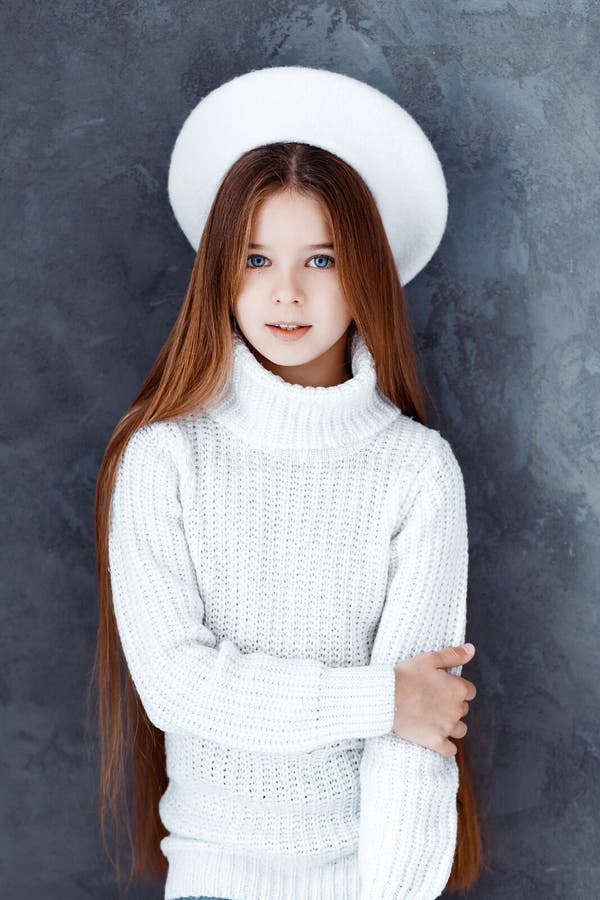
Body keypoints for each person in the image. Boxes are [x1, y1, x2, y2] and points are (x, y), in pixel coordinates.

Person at [91, 68, 484, 900]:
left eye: (322, 259)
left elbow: (417, 748)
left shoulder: (417, 471)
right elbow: (176, 687)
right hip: (211, 880)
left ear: (365, 271)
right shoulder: (162, 457)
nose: (287, 292)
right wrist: (382, 699)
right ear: (221, 272)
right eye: (257, 258)